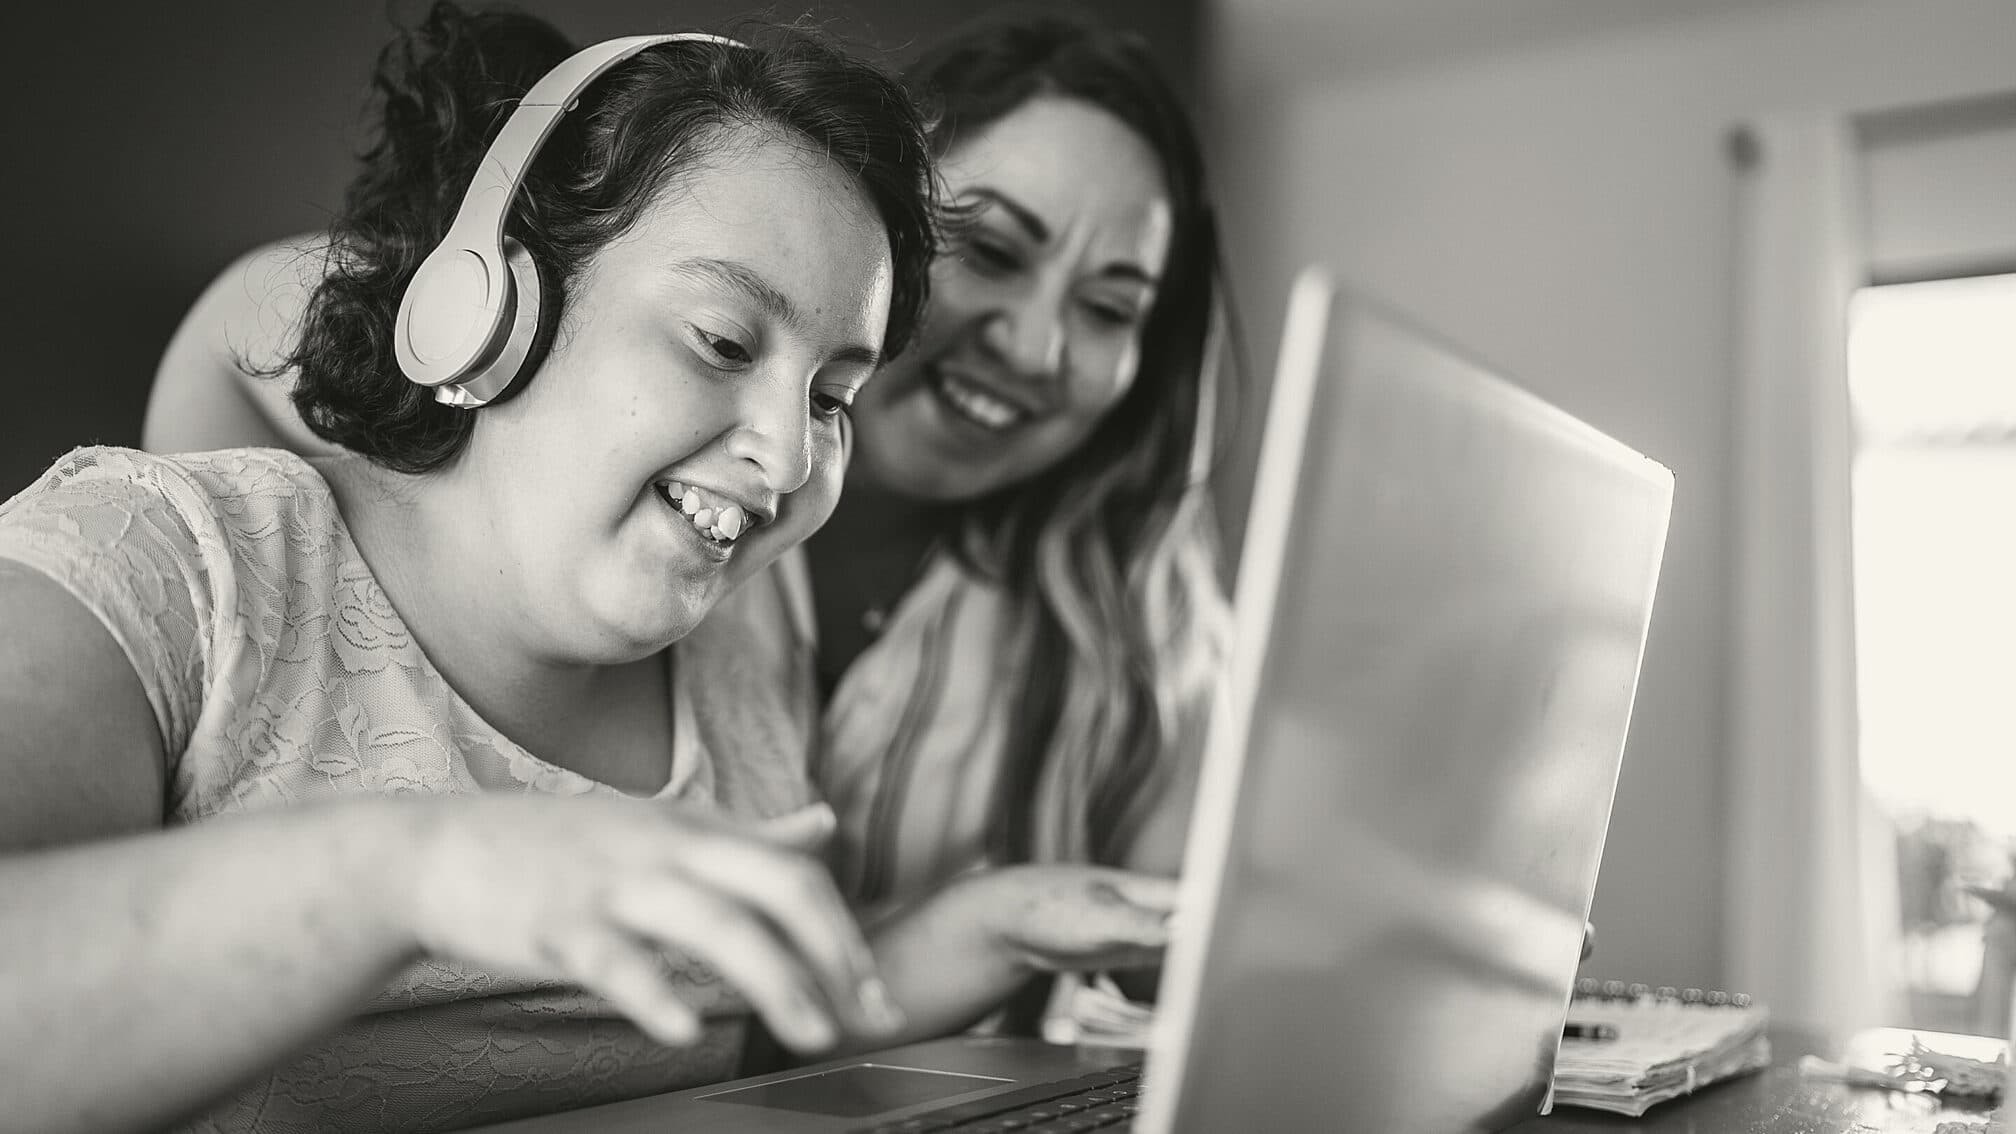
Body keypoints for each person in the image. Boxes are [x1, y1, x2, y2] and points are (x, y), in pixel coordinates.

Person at [2, 8, 1173, 1133]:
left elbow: (727, 1049)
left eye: (833, 397)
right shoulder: (161, 561)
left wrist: (991, 927)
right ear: (496, 307)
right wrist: (413, 871)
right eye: (723, 341)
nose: (790, 452)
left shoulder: (731, 664)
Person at [147, 11, 1232, 929]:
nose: (1040, 347)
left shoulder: (1135, 602)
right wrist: (226, 644)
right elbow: (280, 328)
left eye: (1109, 310)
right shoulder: (572, 474)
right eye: (992, 252)